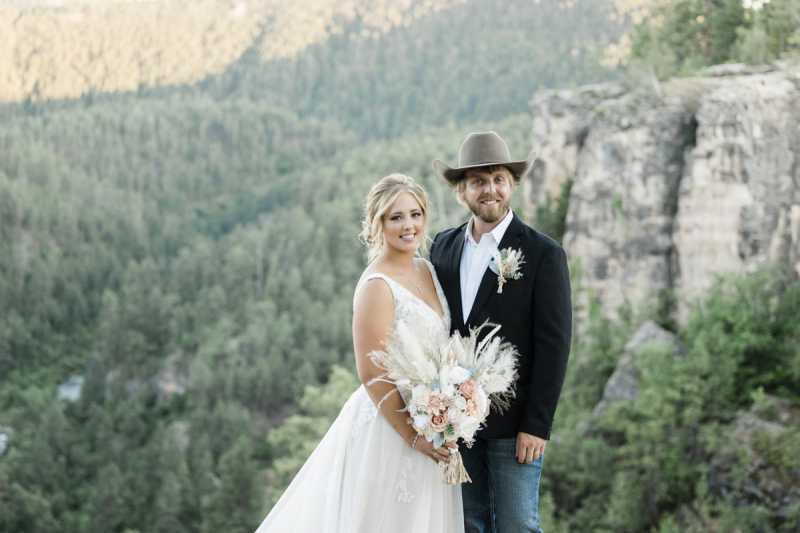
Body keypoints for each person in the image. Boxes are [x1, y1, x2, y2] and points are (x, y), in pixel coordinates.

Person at [255, 174, 464, 533]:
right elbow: (372, 375)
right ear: (377, 223)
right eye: (395, 217)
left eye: (415, 214)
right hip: (392, 430)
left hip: (430, 426)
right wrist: (414, 437)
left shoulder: (427, 269)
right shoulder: (376, 286)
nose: (408, 225)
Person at [429, 132, 572, 533]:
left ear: (511, 185)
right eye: (478, 181)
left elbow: (554, 344)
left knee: (517, 524)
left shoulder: (544, 254)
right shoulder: (442, 246)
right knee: (469, 525)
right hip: (458, 425)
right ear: (462, 191)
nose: (489, 189)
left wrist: (537, 425)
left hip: (516, 426)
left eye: (498, 179)